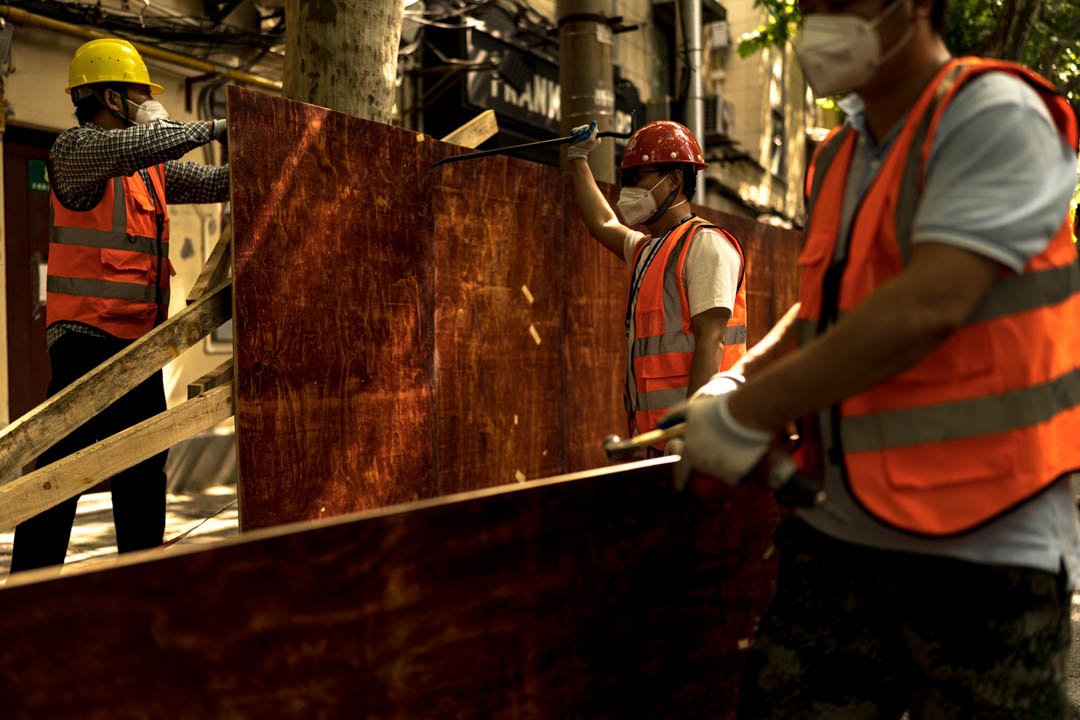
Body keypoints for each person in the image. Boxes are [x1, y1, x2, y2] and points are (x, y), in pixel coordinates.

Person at [671, 0, 1080, 716]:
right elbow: (828, 313)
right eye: (812, 5)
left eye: (843, 2)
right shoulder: (838, 155)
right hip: (842, 533)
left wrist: (746, 414)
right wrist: (738, 379)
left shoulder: (995, 115)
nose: (819, 21)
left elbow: (930, 304)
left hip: (986, 550)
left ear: (914, 6)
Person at [8, 38, 230, 573]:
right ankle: (30, 589)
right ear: (111, 97)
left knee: (144, 474)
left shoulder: (147, 165)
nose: (147, 102)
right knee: (60, 476)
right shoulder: (74, 150)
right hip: (86, 342)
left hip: (140, 345)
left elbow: (216, 182)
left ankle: (141, 583)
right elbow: (135, 148)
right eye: (139, 94)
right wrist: (216, 127)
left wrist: (263, 149)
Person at [568, 120, 748, 452]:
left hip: (697, 441)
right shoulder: (648, 251)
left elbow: (712, 341)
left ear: (675, 180)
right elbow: (603, 222)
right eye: (625, 180)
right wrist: (578, 158)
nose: (627, 190)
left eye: (637, 179)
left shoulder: (704, 244)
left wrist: (691, 430)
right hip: (657, 439)